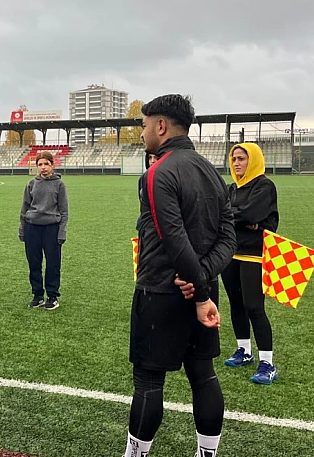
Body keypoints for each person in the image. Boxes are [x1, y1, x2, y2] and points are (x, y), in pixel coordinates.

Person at [125, 95, 236, 457]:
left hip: (161, 292)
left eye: (144, 125)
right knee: (203, 375)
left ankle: (136, 453)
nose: (142, 133)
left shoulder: (158, 172)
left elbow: (174, 240)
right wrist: (203, 281)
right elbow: (228, 237)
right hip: (201, 293)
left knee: (148, 381)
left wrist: (198, 288)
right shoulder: (211, 172)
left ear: (161, 126)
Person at [221, 142, 280, 385]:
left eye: (242, 158)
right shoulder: (231, 188)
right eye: (234, 158)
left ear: (253, 160)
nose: (237, 163)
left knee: (254, 307)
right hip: (230, 252)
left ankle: (268, 363)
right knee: (236, 305)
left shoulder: (264, 186)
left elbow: (249, 214)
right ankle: (244, 351)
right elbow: (220, 212)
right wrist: (242, 218)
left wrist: (244, 217)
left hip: (254, 254)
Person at [19, 150, 68, 310]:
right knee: (34, 263)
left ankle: (52, 296)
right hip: (32, 227)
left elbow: (64, 211)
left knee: (53, 264)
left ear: (52, 165)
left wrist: (61, 232)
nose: (43, 167)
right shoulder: (31, 184)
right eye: (40, 164)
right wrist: (22, 229)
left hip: (51, 228)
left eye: (46, 164)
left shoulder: (59, 185)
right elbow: (24, 208)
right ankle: (38, 295)